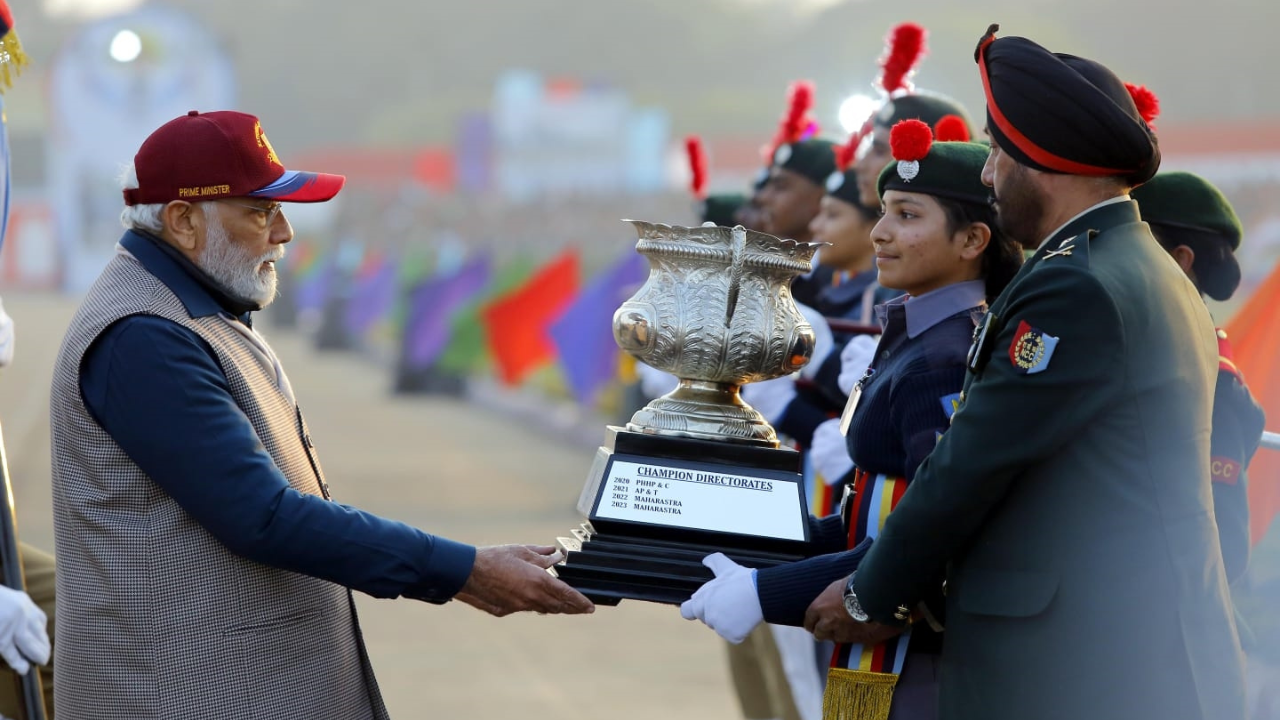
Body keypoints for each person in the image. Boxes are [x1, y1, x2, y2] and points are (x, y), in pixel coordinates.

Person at [48, 110, 594, 720]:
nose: (283, 233)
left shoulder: (188, 307)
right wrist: (461, 570)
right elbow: (264, 516)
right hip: (182, 691)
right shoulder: (144, 337)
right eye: (260, 212)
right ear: (182, 221)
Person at [818, 25, 1245, 720]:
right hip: (1127, 649)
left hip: (1081, 663)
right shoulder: (1127, 259)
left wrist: (870, 593)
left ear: (1041, 160)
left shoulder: (1077, 285)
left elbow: (973, 461)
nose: (987, 174)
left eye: (998, 154)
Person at [682, 121, 1023, 720]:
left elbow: (932, 533)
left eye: (908, 216)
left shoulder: (945, 357)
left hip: (928, 664)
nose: (881, 232)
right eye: (885, 210)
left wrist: (766, 591)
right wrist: (751, 542)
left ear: (972, 240)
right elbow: (870, 513)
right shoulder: (920, 340)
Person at [1131, 170, 1265, 588]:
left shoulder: (1212, 386)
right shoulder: (1143, 355)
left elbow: (1222, 549)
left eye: (1130, 244)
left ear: (1180, 260)